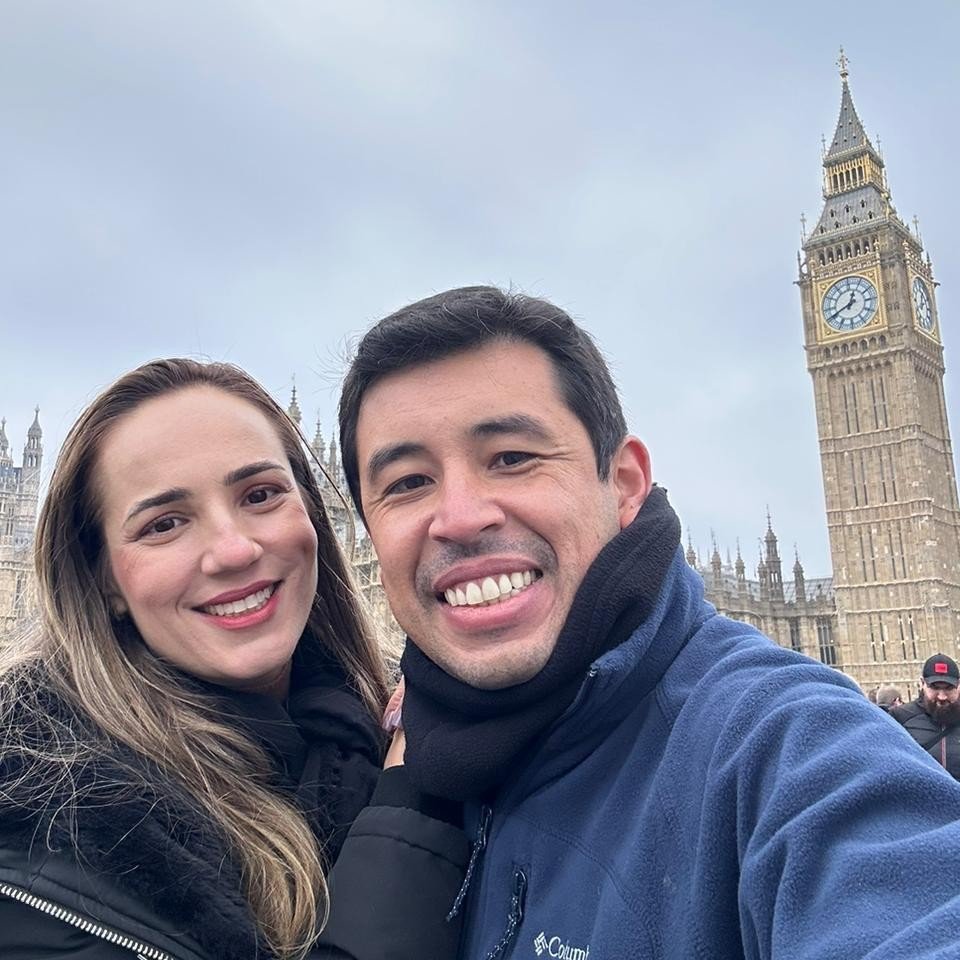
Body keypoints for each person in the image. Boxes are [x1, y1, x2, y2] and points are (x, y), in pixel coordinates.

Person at [338, 285, 960, 960]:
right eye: (407, 482)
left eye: (512, 457)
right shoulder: (395, 765)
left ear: (625, 483)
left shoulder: (779, 746)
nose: (461, 517)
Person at [0, 359, 467, 960]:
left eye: (261, 494)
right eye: (164, 523)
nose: (233, 550)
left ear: (313, 512)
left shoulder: (411, 728)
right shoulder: (38, 845)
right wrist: (404, 819)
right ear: (102, 579)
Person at [890, 653, 960, 779]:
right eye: (935, 688)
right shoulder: (901, 718)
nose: (942, 696)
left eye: (949, 688)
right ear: (922, 683)